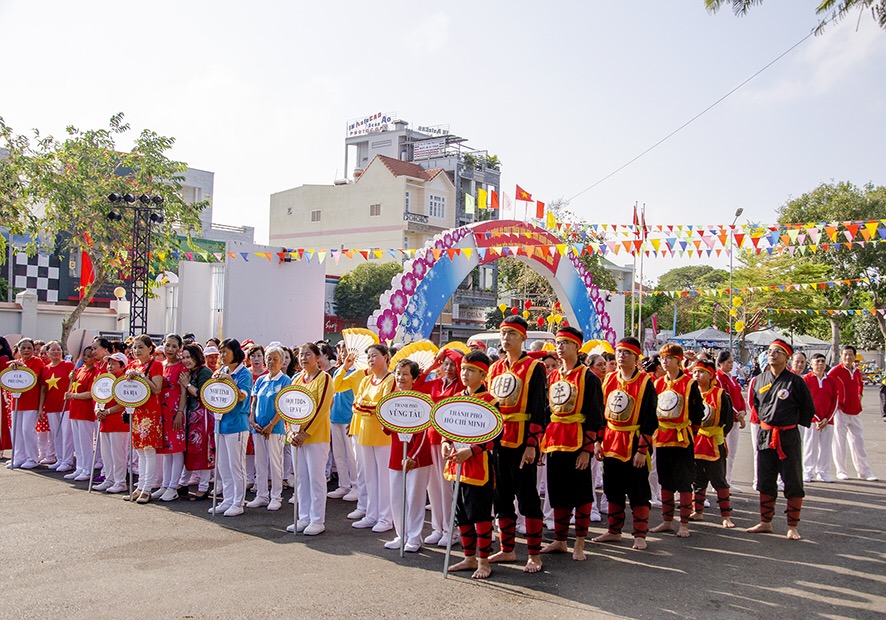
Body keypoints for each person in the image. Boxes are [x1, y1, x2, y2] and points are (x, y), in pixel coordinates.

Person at [487, 315, 548, 574]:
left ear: (523, 338)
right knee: (501, 496)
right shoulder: (495, 368)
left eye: (511, 334)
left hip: (522, 440)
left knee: (527, 497)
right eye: (503, 334)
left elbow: (538, 407)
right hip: (498, 440)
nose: (506, 338)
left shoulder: (534, 368)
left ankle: (534, 555)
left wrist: (533, 443)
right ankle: (508, 548)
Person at [539, 327, 605, 562]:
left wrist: (588, 449)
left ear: (577, 347)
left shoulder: (588, 377)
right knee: (557, 493)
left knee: (581, 494)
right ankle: (559, 540)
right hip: (555, 441)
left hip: (577, 442)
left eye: (566, 342)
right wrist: (540, 442)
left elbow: (596, 414)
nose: (561, 347)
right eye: (558, 342)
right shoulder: (553, 375)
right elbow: (547, 411)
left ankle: (579, 543)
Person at [592, 337, 658, 550]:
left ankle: (640, 534)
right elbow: (601, 414)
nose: (621, 356)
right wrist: (597, 442)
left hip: (633, 442)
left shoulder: (646, 382)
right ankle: (614, 531)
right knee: (613, 489)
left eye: (626, 353)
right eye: (619, 352)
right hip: (611, 442)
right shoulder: (609, 379)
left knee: (638, 490)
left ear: (636, 357)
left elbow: (650, 419)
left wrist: (642, 450)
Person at [747, 339, 815, 540]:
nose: (772, 354)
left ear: (787, 357)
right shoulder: (759, 379)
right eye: (769, 351)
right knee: (765, 479)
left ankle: (792, 526)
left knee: (792, 480)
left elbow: (807, 409)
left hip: (787, 435)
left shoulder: (796, 382)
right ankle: (765, 522)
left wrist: (789, 423)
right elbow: (756, 406)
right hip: (766, 435)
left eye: (778, 351)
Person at [445, 350, 498, 579]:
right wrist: (445, 443)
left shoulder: (491, 401)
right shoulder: (456, 398)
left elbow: (496, 437)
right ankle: (468, 557)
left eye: (471, 370)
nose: (464, 374)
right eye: (463, 369)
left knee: (480, 515)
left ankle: (484, 561)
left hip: (480, 465)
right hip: (457, 465)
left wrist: (473, 450)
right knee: (461, 514)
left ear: (483, 374)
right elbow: (446, 427)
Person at [337, 344, 395, 532]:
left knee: (383, 477)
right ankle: (371, 514)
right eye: (369, 356)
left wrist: (365, 406)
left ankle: (385, 518)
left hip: (382, 435)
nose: (371, 360)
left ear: (386, 357)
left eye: (374, 356)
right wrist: (366, 406)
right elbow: (355, 404)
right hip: (363, 432)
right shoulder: (365, 380)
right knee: (368, 476)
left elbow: (383, 406)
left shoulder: (390, 379)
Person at [650, 343, 704, 538]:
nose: (665, 362)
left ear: (679, 360)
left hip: (683, 437)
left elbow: (698, 413)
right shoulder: (658, 383)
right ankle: (667, 521)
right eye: (663, 358)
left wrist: (692, 432)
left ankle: (684, 524)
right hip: (663, 437)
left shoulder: (689, 383)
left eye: (669, 358)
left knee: (683, 480)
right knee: (665, 480)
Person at [413, 347, 464, 547]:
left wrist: (451, 354)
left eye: (453, 364)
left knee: (447, 488)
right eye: (446, 364)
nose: (449, 368)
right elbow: (416, 387)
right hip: (431, 437)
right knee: (433, 487)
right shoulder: (436, 384)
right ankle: (438, 527)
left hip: (449, 440)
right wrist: (432, 366)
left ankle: (452, 530)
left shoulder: (460, 386)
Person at [384, 360, 432, 552]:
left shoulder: (423, 399)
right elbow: (387, 429)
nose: (400, 378)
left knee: (415, 498)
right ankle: (401, 534)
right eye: (398, 373)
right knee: (396, 496)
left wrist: (414, 455)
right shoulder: (393, 398)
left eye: (405, 374)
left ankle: (414, 537)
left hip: (417, 457)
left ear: (414, 377)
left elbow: (424, 433)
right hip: (396, 453)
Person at [287, 343, 333, 535]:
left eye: (308, 355)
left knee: (316, 479)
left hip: (316, 437)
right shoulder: (297, 379)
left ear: (317, 357)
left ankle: (317, 520)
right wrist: (290, 431)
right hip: (297, 437)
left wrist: (307, 432)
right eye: (301, 355)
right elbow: (287, 406)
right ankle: (303, 516)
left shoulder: (325, 378)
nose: (304, 358)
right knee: (301, 479)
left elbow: (323, 407)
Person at [208, 339, 253, 517]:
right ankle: (227, 499)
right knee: (223, 464)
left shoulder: (243, 373)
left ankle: (238, 501)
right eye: (221, 352)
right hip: (221, 422)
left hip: (237, 424)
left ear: (235, 352)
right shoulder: (222, 371)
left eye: (225, 352)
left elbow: (243, 396)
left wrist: (229, 381)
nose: (222, 356)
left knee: (236, 465)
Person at [689, 359, 735, 528]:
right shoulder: (691, 394)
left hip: (714, 441)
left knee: (719, 479)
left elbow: (728, 419)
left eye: (701, 372)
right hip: (696, 441)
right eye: (694, 372)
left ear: (710, 375)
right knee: (697, 479)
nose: (696, 375)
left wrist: (719, 435)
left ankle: (726, 516)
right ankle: (698, 511)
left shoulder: (720, 394)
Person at [247, 346, 289, 513]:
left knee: (275, 463)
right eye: (269, 358)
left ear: (281, 362)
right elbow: (254, 402)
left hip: (275, 429)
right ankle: (261, 494)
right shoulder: (261, 380)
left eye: (275, 359)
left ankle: (276, 496)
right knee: (260, 463)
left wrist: (271, 424)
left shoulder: (285, 380)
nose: (271, 362)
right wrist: (252, 419)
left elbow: (284, 405)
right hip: (258, 429)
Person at [829, 345, 877, 481]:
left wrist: (860, 394)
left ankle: (864, 471)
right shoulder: (835, 371)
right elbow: (827, 384)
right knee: (839, 441)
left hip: (855, 410)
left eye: (850, 354)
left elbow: (860, 384)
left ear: (854, 356)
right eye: (845, 354)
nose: (847, 357)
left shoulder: (856, 371)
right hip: (840, 410)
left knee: (858, 441)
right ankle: (841, 470)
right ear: (841, 356)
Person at [125, 335, 164, 503]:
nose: (137, 350)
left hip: (150, 412)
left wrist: (141, 377)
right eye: (135, 347)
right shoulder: (133, 365)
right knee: (139, 451)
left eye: (141, 347)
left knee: (148, 451)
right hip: (136, 411)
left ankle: (147, 488)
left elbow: (156, 389)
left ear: (150, 349)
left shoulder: (156, 365)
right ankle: (139, 486)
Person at [328, 340, 363, 506]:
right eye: (341, 349)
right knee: (339, 453)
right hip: (335, 417)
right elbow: (334, 388)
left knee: (352, 454)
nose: (342, 352)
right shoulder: (339, 371)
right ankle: (344, 484)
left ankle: (356, 485)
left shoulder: (359, 372)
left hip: (349, 418)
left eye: (346, 349)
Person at [153, 334, 187, 502]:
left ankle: (174, 486)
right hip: (162, 411)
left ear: (179, 348)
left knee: (177, 449)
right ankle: (165, 484)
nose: (170, 349)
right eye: (168, 345)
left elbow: (183, 392)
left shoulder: (181, 367)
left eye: (174, 346)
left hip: (175, 410)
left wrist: (180, 412)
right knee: (166, 450)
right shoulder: (161, 365)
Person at [179, 343, 214, 499]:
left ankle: (204, 486)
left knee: (204, 451)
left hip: (204, 416)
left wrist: (187, 384)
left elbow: (202, 394)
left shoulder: (204, 372)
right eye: (184, 357)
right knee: (191, 451)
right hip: (192, 416)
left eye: (189, 357)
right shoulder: (189, 372)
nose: (186, 360)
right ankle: (184, 482)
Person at [94, 353, 130, 493]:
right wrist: (98, 409)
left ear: (122, 366)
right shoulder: (105, 380)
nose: (110, 366)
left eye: (114, 364)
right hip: (105, 422)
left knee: (118, 454)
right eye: (109, 363)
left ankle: (120, 482)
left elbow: (123, 403)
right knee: (106, 454)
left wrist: (107, 412)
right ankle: (109, 479)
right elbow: (99, 397)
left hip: (118, 423)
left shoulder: (124, 380)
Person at [7, 337, 45, 469]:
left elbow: (34, 379)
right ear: (18, 349)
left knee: (27, 430)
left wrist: (22, 367)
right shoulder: (15, 363)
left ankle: (32, 458)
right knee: (16, 431)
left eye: (29, 348)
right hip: (16, 402)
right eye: (23, 348)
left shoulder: (37, 362)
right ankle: (19, 457)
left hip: (31, 402)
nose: (26, 350)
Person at [64, 346, 100, 482]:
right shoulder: (78, 370)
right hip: (74, 409)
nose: (85, 358)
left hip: (85, 411)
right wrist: (72, 380)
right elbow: (74, 386)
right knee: (77, 442)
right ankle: (79, 467)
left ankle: (87, 468)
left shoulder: (94, 372)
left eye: (89, 356)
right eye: (84, 355)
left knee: (85, 441)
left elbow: (91, 393)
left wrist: (73, 395)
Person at [37, 341, 74, 472]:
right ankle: (60, 459)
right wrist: (41, 407)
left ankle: (67, 460)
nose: (56, 352)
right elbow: (43, 389)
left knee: (67, 433)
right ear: (47, 353)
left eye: (58, 350)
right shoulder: (45, 369)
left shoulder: (69, 365)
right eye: (53, 350)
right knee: (56, 434)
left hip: (67, 405)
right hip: (52, 405)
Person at [802, 353, 839, 483]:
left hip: (828, 420)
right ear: (811, 364)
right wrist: (816, 418)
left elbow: (835, 401)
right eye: (817, 361)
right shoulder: (806, 379)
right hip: (812, 420)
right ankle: (808, 471)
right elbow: (804, 401)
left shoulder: (831, 380)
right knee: (810, 446)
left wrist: (827, 419)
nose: (820, 364)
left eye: (823, 361)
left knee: (825, 447)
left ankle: (823, 472)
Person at [715, 351, 746, 492]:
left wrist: (743, 412)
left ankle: (728, 479)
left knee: (732, 452)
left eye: (732, 362)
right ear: (720, 363)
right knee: (724, 452)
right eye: (728, 362)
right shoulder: (719, 378)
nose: (731, 365)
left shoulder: (732, 378)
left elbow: (739, 397)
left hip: (736, 419)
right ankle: (720, 481)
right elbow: (725, 399)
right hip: (727, 420)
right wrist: (736, 414)